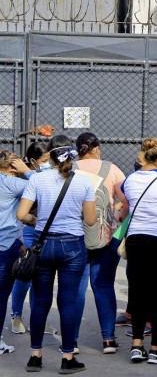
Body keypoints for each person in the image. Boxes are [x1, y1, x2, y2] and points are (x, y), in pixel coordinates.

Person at [16, 135, 97, 374]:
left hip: (43, 244)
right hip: (72, 245)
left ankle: (35, 355)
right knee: (68, 301)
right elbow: (91, 220)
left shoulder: (38, 180)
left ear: (49, 155)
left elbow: (22, 214)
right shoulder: (84, 182)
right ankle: (68, 357)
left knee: (41, 301)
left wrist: (36, 219)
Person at [121, 137, 157, 364]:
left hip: (135, 239)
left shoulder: (130, 179)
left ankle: (136, 344)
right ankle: (156, 347)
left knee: (137, 291)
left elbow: (125, 194)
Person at [73, 132, 127, 354]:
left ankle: (71, 341)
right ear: (96, 148)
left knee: (75, 289)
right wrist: (117, 223)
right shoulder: (111, 169)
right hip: (107, 237)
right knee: (104, 286)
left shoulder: (69, 168)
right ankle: (108, 340)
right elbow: (127, 201)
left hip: (76, 236)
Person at [11, 143, 57, 337]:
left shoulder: (40, 176)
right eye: (45, 161)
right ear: (33, 162)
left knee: (42, 279)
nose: (49, 165)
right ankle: (16, 316)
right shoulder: (24, 179)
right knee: (25, 276)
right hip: (29, 232)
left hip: (47, 232)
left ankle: (38, 320)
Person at [0, 151, 34, 354]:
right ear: (13, 167)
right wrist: (28, 170)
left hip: (11, 241)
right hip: (5, 245)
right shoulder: (13, 183)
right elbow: (43, 184)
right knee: (2, 295)